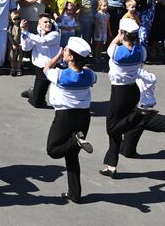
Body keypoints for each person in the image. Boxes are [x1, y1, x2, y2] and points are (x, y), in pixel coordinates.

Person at [44, 37, 96, 204]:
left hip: (65, 117)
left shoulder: (61, 75)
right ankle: (75, 193)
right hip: (83, 117)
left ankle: (75, 141)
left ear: (72, 57)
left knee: (53, 150)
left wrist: (57, 57)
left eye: (66, 50)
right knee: (72, 157)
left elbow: (46, 69)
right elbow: (89, 73)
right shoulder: (89, 75)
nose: (64, 51)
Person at [100, 19, 147, 178]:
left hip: (119, 92)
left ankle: (139, 116)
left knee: (112, 128)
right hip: (133, 89)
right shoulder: (141, 51)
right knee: (116, 129)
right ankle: (111, 165)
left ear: (122, 34)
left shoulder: (116, 52)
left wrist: (118, 37)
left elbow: (110, 46)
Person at [20, 14, 61, 108]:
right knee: (37, 103)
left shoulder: (54, 34)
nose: (48, 24)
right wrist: (23, 32)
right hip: (41, 70)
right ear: (40, 24)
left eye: (49, 22)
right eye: (45, 22)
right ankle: (32, 92)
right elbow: (26, 48)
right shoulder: (35, 36)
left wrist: (27, 33)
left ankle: (36, 92)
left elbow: (43, 41)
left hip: (54, 68)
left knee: (59, 96)